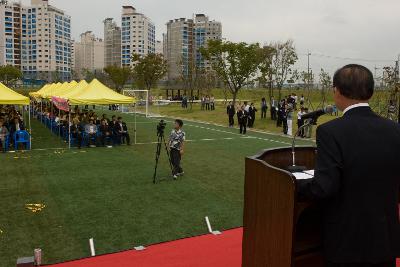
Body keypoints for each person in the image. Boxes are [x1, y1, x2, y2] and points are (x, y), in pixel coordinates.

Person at [297, 64, 400, 267]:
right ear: (370, 91)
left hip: (347, 242)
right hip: (385, 240)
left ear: (337, 91)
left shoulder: (330, 131)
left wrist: (295, 184)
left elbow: (324, 187)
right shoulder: (395, 130)